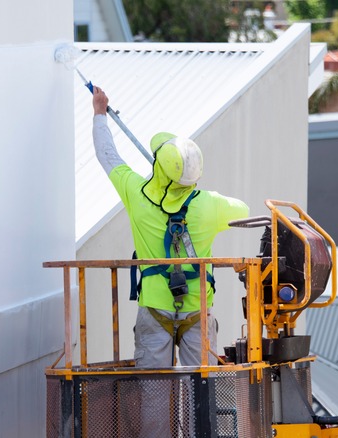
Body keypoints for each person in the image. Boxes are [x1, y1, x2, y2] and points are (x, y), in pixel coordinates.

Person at [91, 86, 249, 368]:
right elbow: (243, 210)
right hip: (198, 309)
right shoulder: (209, 204)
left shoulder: (136, 193)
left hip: (154, 306)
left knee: (154, 393)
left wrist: (100, 113)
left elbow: (107, 154)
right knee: (200, 389)